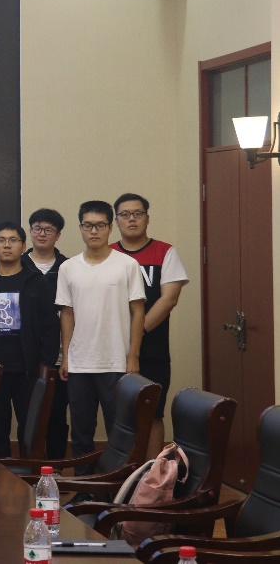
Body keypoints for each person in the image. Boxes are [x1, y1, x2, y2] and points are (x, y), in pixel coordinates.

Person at [57, 200, 146, 473]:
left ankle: (116, 488)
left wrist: (133, 356)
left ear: (110, 227)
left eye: (100, 225)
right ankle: (85, 486)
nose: (93, 231)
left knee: (119, 432)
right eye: (88, 225)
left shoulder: (128, 265)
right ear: (80, 228)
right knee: (81, 432)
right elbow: (67, 314)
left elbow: (138, 312)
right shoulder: (68, 267)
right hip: (80, 363)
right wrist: (66, 356)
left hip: (116, 363)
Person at [0, 222, 60, 458]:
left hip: (28, 371)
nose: (7, 245)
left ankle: (30, 475)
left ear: (23, 246)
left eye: (13, 240)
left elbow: (51, 326)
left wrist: (46, 364)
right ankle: (1, 474)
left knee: (31, 430)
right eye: (1, 240)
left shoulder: (37, 283)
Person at [111, 192, 189, 458]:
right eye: (124, 214)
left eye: (138, 213)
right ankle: (121, 471)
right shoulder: (108, 254)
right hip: (113, 349)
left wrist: (137, 332)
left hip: (153, 348)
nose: (131, 219)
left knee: (153, 412)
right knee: (120, 414)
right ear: (116, 221)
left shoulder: (165, 252)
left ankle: (151, 473)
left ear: (147, 218)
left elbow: (169, 299)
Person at [23, 208, 70, 459]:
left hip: (60, 354)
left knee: (56, 414)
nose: (42, 234)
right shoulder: (17, 265)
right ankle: (27, 466)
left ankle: (56, 467)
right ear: (30, 231)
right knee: (26, 413)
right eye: (37, 228)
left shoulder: (68, 267)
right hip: (24, 355)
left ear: (58, 235)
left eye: (49, 230)